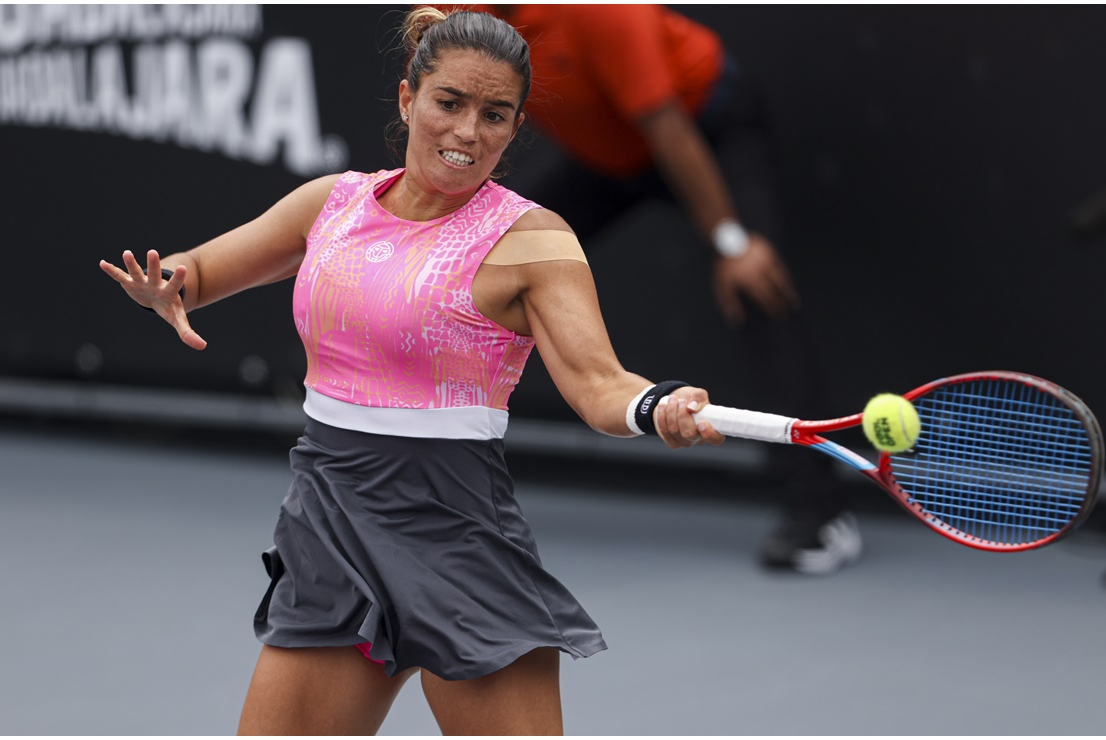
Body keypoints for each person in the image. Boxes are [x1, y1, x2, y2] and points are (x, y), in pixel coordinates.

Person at [100, 8, 723, 735]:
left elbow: (598, 385)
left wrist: (655, 406)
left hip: (454, 536)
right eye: (449, 103)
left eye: (494, 115)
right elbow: (199, 270)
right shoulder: (330, 204)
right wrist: (165, 284)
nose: (467, 133)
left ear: (515, 129)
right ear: (408, 99)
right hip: (330, 525)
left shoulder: (533, 241)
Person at [460, 4, 862, 575]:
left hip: (702, 128)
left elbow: (667, 127)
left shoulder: (600, 14)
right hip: (609, 153)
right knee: (486, 261)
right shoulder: (456, 18)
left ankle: (820, 515)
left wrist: (730, 243)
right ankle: (441, 470)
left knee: (753, 283)